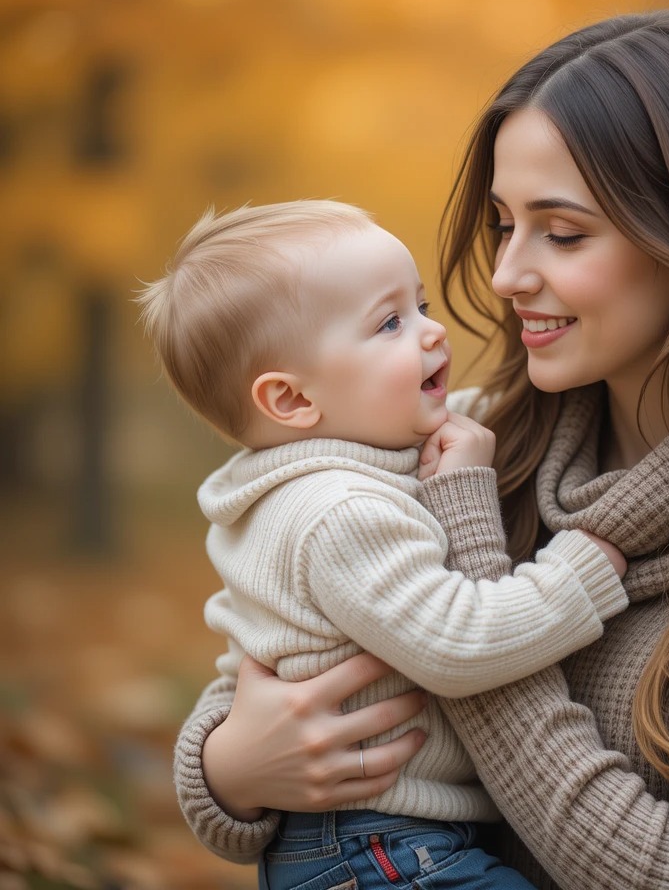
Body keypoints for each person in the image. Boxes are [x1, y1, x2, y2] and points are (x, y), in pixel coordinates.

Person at [171, 11, 669, 889]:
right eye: (501, 225)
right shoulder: (472, 442)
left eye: (562, 233)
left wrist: (479, 574)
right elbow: (290, 628)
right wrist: (225, 772)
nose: (506, 275)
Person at [137, 199, 631, 889]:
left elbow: (476, 412)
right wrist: (577, 575)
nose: (432, 333)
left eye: (421, 305)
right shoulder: (337, 511)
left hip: (372, 843)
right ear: (290, 400)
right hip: (380, 850)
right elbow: (458, 642)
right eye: (390, 322)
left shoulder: (339, 459)